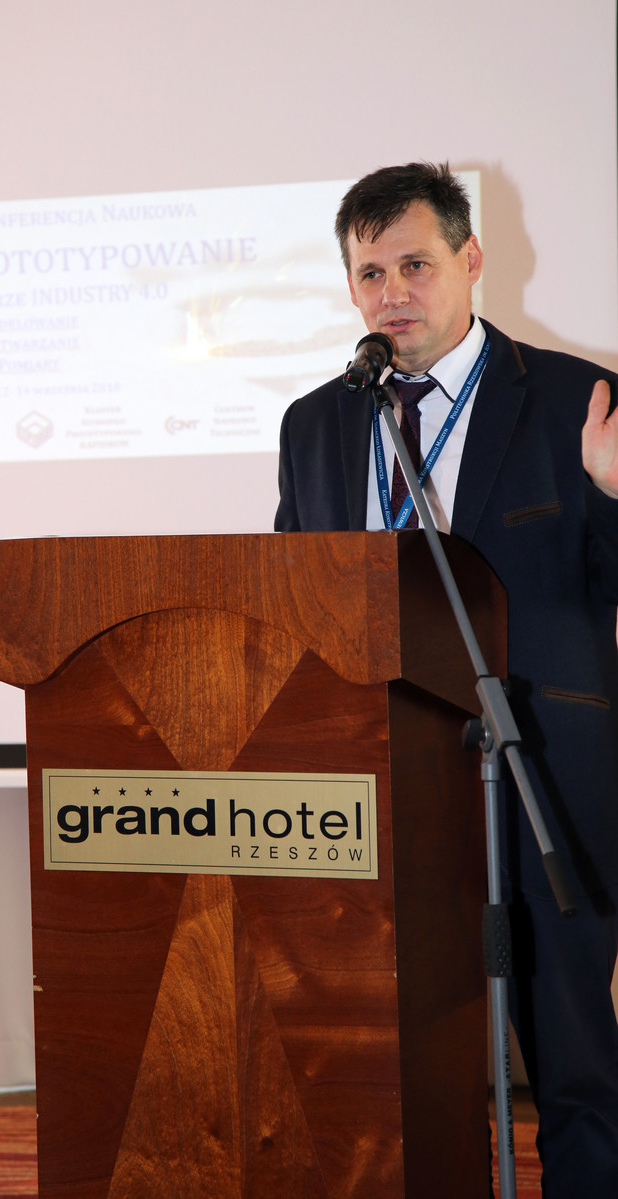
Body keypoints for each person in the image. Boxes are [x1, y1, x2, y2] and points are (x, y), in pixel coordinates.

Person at [275, 161, 618, 1198]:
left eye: (414, 265)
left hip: (543, 770)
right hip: (380, 783)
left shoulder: (575, 398)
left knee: (572, 1056)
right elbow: (294, 593)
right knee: (395, 1055)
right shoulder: (315, 423)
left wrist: (615, 497)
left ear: (470, 260)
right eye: (369, 273)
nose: (392, 293)